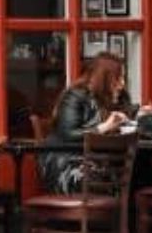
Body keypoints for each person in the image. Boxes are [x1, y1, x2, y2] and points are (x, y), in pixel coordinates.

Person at [40, 53, 134, 194]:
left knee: (137, 172)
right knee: (106, 178)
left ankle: (125, 214)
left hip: (100, 161)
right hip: (66, 163)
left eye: (123, 78)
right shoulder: (74, 96)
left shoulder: (112, 99)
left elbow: (125, 120)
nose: (122, 84)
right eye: (118, 78)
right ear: (104, 79)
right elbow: (68, 135)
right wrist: (104, 127)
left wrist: (137, 117)